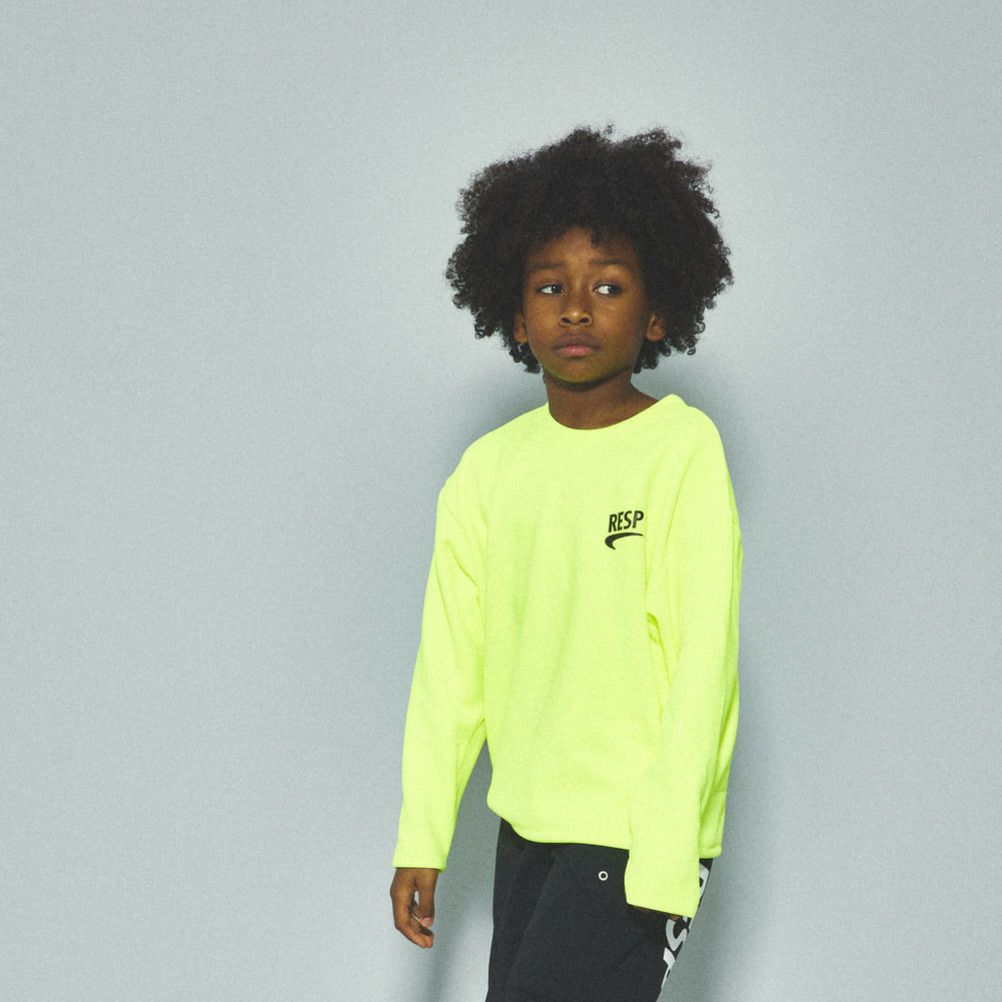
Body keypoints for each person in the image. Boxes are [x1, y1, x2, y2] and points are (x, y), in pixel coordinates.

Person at [388, 123, 743, 1001]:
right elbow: (450, 671)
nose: (576, 308)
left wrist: (667, 845)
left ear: (657, 312)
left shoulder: (682, 451)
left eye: (608, 285)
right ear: (517, 317)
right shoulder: (487, 472)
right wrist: (423, 834)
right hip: (527, 831)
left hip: (633, 833)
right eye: (550, 287)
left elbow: (703, 662)